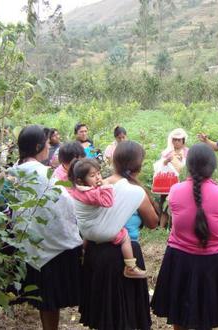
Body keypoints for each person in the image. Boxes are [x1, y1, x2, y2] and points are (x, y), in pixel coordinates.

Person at [151, 143, 218, 330]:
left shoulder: (175, 191)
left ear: (188, 165)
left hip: (180, 259)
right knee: (208, 313)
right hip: (216, 261)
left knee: (179, 313)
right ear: (213, 167)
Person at [9, 125, 83, 330]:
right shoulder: (44, 175)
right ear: (38, 147)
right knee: (49, 300)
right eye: (48, 144)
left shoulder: (12, 173)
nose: (49, 148)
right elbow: (65, 208)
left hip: (27, 246)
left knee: (43, 299)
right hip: (51, 249)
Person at [78, 141, 158, 330]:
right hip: (124, 256)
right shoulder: (135, 191)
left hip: (96, 252)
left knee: (103, 311)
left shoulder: (99, 185)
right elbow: (153, 223)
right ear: (138, 165)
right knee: (125, 313)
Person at [67, 158, 147, 278]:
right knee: (125, 236)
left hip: (86, 232)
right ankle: (130, 266)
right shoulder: (92, 194)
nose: (98, 177)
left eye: (98, 173)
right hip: (100, 233)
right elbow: (108, 202)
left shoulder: (76, 191)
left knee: (87, 233)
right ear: (81, 180)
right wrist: (107, 187)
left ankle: (83, 254)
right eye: (92, 175)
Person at [153, 128, 189, 228]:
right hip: (167, 183)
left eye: (179, 140)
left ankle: (174, 226)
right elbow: (159, 166)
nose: (177, 142)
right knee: (165, 204)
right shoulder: (167, 152)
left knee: (179, 205)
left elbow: (188, 167)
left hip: (182, 182)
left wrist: (182, 160)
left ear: (183, 141)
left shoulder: (187, 152)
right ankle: (162, 226)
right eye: (175, 140)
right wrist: (165, 161)